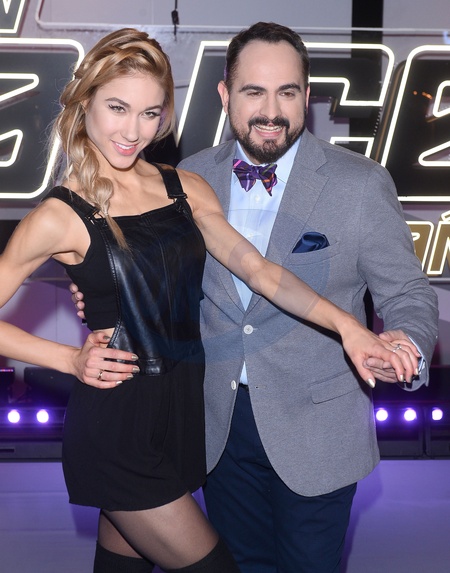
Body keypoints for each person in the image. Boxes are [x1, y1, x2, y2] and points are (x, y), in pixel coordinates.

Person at [64, 24, 436, 573]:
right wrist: (101, 296)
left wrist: (407, 343)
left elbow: (407, 292)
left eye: (287, 92)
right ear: (225, 95)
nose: (271, 111)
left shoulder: (359, 184)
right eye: (253, 92)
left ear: (307, 96)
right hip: (213, 425)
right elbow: (153, 278)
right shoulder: (186, 179)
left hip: (318, 431)